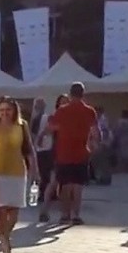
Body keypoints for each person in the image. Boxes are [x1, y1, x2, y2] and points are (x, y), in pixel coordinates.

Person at [0, 97, 38, 253]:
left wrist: (35, 170)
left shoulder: (22, 126)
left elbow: (29, 150)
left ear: (14, 110)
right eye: (1, 110)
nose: (5, 113)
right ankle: (4, 242)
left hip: (17, 172)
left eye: (8, 110)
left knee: (13, 212)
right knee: (0, 209)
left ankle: (5, 235)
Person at [48, 82, 98, 225]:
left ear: (70, 94)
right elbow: (95, 132)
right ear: (83, 94)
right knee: (78, 186)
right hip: (81, 152)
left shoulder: (62, 110)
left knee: (65, 185)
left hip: (63, 152)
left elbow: (52, 127)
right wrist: (94, 145)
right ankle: (76, 215)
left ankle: (65, 214)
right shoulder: (89, 111)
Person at [38, 94, 69, 222]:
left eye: (66, 102)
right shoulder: (55, 116)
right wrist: (40, 138)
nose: (64, 104)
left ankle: (64, 213)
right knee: (55, 182)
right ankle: (46, 210)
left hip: (67, 151)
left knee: (64, 184)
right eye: (62, 102)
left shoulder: (68, 116)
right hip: (57, 152)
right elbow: (47, 130)